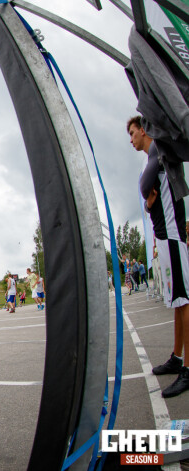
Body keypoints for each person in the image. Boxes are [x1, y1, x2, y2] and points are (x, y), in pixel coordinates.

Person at [128, 115, 189, 397]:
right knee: (178, 300)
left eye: (132, 133)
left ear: (144, 129)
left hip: (174, 235)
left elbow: (145, 190)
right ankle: (177, 357)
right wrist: (149, 202)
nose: (131, 139)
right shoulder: (148, 159)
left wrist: (149, 200)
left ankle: (188, 368)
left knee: (185, 300)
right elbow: (146, 196)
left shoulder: (159, 149)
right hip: (163, 237)